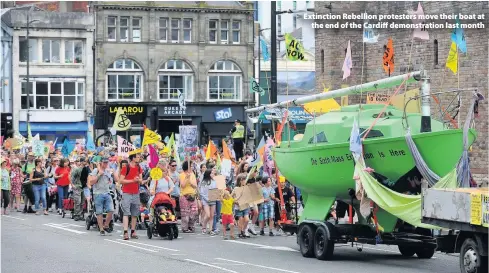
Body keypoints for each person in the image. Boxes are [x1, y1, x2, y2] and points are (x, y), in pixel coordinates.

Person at [119, 153, 143, 240]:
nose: (139, 158)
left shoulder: (139, 167)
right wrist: (132, 181)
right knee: (126, 213)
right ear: (133, 158)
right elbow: (121, 180)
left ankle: (133, 231)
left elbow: (141, 180)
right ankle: (125, 232)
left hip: (136, 192)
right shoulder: (126, 168)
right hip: (127, 193)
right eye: (137, 157)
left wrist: (139, 180)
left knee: (135, 214)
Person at [89, 157, 114, 236]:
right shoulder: (96, 170)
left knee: (111, 210)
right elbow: (91, 182)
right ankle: (101, 229)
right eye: (104, 162)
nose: (106, 164)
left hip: (107, 193)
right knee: (99, 212)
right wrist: (99, 175)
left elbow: (112, 181)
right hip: (98, 193)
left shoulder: (108, 171)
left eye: (107, 163)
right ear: (101, 163)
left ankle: (106, 225)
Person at [179, 161, 198, 233]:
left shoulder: (193, 174)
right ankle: (185, 228)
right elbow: (183, 186)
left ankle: (191, 226)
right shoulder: (181, 175)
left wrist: (190, 181)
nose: (192, 167)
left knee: (194, 212)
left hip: (192, 195)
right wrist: (187, 178)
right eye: (191, 166)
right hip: (184, 196)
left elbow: (195, 186)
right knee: (185, 213)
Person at [199, 169, 217, 235]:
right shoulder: (204, 182)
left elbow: (216, 190)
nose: (213, 174)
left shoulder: (214, 181)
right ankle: (204, 227)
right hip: (206, 200)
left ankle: (210, 230)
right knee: (208, 215)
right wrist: (207, 199)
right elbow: (202, 192)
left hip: (213, 199)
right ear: (208, 174)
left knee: (212, 216)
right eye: (212, 173)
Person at [232, 174, 250, 238]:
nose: (245, 181)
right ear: (240, 181)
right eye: (244, 180)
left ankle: (243, 230)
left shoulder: (246, 188)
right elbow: (231, 197)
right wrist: (235, 202)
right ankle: (240, 232)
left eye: (245, 180)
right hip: (238, 207)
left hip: (245, 206)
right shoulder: (236, 188)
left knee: (247, 220)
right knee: (241, 220)